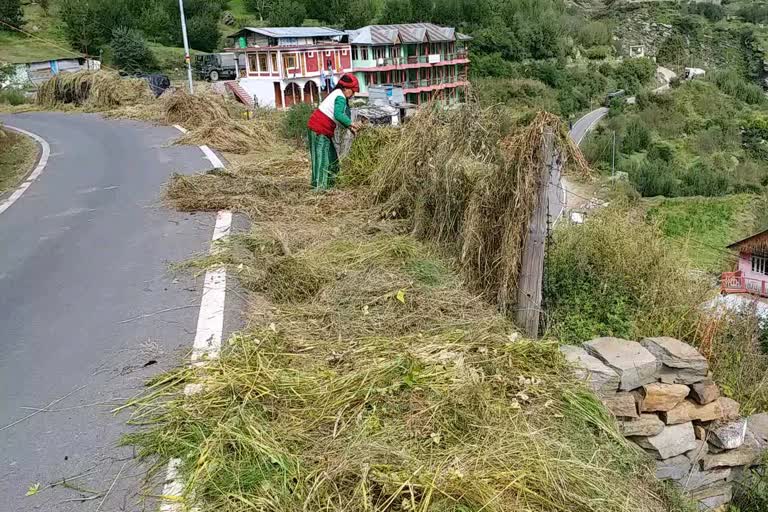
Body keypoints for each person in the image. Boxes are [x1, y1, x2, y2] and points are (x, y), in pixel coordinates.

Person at [306, 73, 362, 190]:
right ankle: (319, 191)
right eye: (353, 91)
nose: (353, 94)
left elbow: (338, 117)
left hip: (320, 129)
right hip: (319, 130)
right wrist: (352, 124)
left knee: (333, 160)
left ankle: (330, 186)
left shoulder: (336, 94)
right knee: (322, 161)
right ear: (346, 88)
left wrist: (350, 128)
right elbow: (338, 114)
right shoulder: (340, 97)